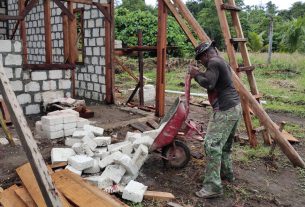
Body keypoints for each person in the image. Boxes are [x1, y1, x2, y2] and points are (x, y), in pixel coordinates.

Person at [189, 41, 242, 198]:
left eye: (200, 59)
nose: (201, 62)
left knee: (211, 145)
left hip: (225, 110)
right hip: (234, 107)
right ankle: (226, 174)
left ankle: (213, 187)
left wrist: (196, 74)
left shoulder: (213, 62)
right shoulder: (220, 61)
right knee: (224, 146)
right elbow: (214, 80)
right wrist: (200, 73)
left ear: (205, 55)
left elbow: (209, 84)